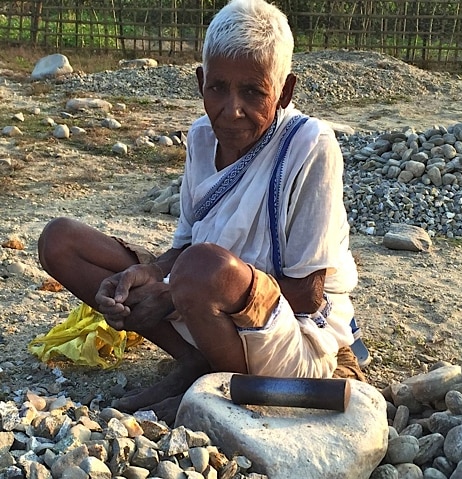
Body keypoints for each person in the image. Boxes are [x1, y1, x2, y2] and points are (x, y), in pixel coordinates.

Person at [38, 0, 368, 426]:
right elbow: (186, 246)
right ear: (200, 83)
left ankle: (218, 382)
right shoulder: (199, 138)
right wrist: (150, 274)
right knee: (61, 241)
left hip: (293, 337)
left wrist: (175, 288)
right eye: (218, 88)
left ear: (284, 91)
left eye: (253, 92)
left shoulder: (309, 146)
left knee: (200, 268)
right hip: (203, 301)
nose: (231, 109)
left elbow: (308, 294)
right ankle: (196, 361)